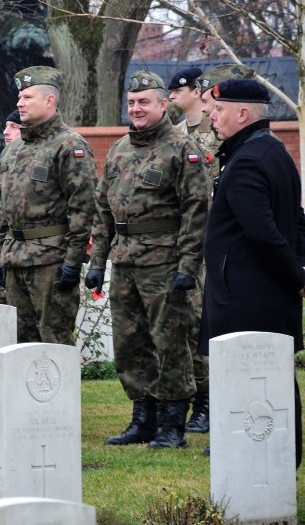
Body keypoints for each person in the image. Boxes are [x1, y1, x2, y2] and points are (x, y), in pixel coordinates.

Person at [86, 70, 210, 449]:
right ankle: (143, 418)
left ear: (161, 105)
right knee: (130, 342)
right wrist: (97, 262)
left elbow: (196, 211)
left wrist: (188, 266)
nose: (136, 109)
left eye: (144, 103)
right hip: (125, 260)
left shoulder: (181, 148)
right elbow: (104, 210)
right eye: (132, 103)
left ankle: (174, 424)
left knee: (170, 341)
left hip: (165, 261)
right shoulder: (121, 149)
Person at [200, 78, 304, 467]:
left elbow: (265, 233)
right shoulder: (271, 150)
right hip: (262, 293)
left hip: (245, 296)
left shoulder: (246, 159)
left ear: (242, 113)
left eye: (219, 109)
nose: (212, 116)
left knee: (254, 386)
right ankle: (279, 458)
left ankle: (261, 460)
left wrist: (298, 278)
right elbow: (297, 221)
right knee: (274, 381)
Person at [0, 66, 98, 345]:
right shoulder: (14, 149)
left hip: (51, 261)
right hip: (16, 259)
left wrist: (73, 261)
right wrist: (0, 253)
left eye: (27, 97)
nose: (19, 103)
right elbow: (3, 207)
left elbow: (83, 208)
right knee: (20, 347)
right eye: (19, 97)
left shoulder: (69, 145)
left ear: (49, 100)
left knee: (54, 344)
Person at [167, 66, 219, 434]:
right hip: (183, 240)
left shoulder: (218, 132)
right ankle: (195, 397)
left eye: (177, 91)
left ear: (196, 91)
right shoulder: (175, 136)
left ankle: (209, 400)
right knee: (187, 324)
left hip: (213, 239)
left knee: (205, 323)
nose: (171, 97)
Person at [0, 109, 22, 305]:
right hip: (4, 254)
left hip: (27, 256)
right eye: (6, 126)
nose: (5, 132)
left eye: (14, 127)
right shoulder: (2, 169)